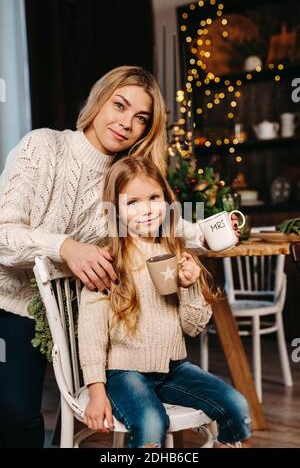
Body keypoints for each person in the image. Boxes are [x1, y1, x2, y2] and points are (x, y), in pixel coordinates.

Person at [0, 65, 240, 447]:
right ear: (98, 101)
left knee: (78, 406)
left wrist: (215, 231)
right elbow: (3, 234)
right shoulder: (43, 147)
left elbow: (172, 225)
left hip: (82, 309)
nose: (127, 123)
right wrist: (65, 246)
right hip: (16, 304)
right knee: (17, 414)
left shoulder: (124, 180)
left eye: (140, 118)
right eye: (120, 105)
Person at [78, 156, 251, 449]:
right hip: (124, 372)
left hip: (174, 369)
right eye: (132, 202)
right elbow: (91, 334)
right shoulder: (108, 262)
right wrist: (97, 390)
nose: (146, 210)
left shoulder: (177, 253)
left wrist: (190, 286)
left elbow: (193, 327)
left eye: (154, 198)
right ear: (115, 209)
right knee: (151, 422)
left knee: (236, 404)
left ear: (167, 201)